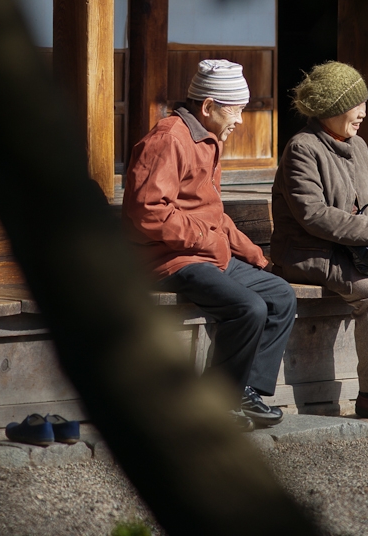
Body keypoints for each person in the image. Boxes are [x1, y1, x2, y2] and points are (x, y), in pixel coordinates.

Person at [123, 58, 297, 431]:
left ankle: (244, 391)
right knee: (248, 307)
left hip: (205, 255)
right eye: (235, 110)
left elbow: (214, 215)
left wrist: (256, 257)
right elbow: (147, 211)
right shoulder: (169, 138)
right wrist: (203, 237)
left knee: (280, 295)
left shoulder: (207, 139)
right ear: (207, 106)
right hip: (168, 259)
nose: (241, 120)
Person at [270, 60, 368, 424]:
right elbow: (313, 214)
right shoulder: (302, 148)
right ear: (332, 108)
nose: (363, 112)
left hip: (353, 251)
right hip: (309, 254)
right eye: (356, 105)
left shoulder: (358, 146)